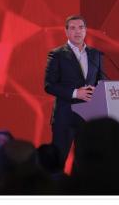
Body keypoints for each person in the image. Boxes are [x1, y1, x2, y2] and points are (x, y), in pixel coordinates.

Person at [44, 15, 104, 165]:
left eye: (81, 27)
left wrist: (96, 90)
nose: (77, 31)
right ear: (66, 31)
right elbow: (49, 85)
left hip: (89, 118)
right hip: (65, 117)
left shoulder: (95, 54)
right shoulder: (57, 54)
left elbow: (101, 81)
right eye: (73, 28)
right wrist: (76, 93)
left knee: (87, 164)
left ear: (86, 30)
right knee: (57, 162)